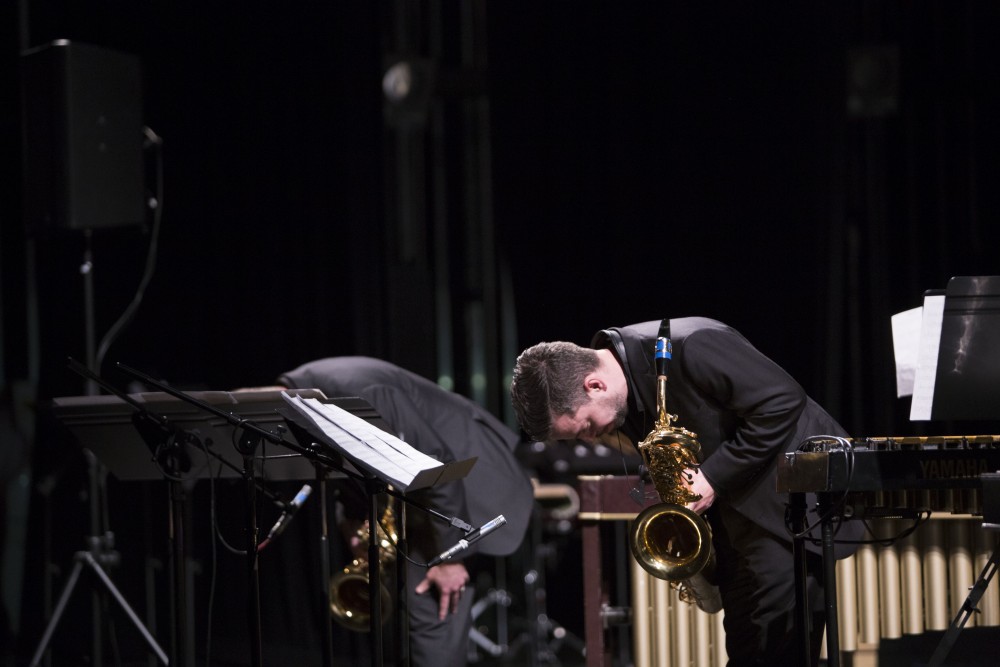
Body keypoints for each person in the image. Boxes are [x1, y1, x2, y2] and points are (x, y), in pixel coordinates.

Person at [509, 317, 862, 666]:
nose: (591, 437)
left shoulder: (693, 346)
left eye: (585, 426)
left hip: (787, 511)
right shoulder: (623, 389)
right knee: (748, 651)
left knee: (773, 655)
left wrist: (710, 477)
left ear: (595, 385)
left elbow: (782, 401)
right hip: (734, 523)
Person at [277, 356, 534, 667]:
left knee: (431, 617)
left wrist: (450, 555)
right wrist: (353, 522)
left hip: (465, 488)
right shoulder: (306, 389)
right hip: (416, 498)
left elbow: (439, 463)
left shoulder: (360, 389)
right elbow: (343, 464)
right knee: (405, 627)